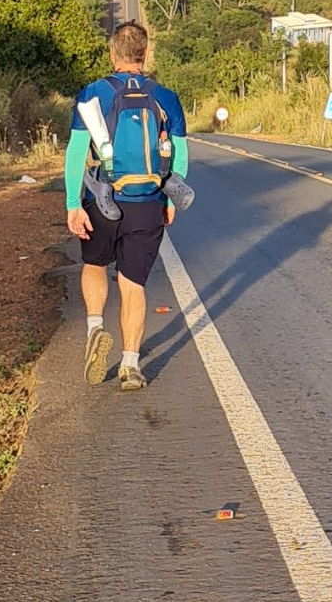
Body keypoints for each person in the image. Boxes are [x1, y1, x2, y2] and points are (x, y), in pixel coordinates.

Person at [66, 22, 188, 391]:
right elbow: (179, 154)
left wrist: (74, 203)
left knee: (94, 264)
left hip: (101, 198)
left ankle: (94, 326)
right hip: (148, 201)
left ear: (112, 53)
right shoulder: (166, 97)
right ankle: (131, 365)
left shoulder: (92, 94)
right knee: (133, 283)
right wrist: (170, 199)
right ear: (146, 54)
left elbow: (75, 153)